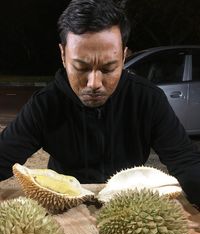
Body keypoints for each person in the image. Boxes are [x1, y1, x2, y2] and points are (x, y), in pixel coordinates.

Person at [0, 0, 200, 209]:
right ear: (63, 55)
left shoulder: (148, 99)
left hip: (128, 207)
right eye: (81, 67)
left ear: (123, 56)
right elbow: (3, 155)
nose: (94, 83)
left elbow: (186, 161)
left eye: (108, 68)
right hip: (66, 207)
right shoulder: (45, 104)